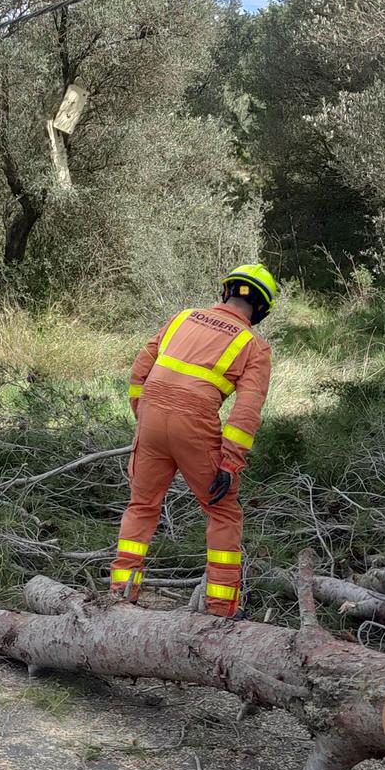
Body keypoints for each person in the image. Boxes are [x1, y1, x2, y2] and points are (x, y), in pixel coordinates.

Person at [108, 265, 277, 618]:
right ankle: (221, 609)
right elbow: (246, 411)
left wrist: (145, 421)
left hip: (151, 416)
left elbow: (140, 369)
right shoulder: (254, 346)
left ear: (226, 291)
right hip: (195, 421)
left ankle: (120, 596)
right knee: (224, 511)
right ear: (262, 309)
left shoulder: (182, 318)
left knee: (141, 505)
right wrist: (230, 462)